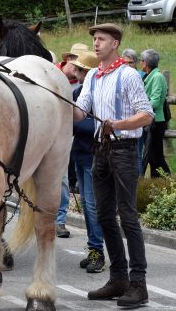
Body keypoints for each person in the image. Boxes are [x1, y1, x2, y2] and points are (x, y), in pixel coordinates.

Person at [74, 23, 153, 308]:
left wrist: (117, 124)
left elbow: (146, 115)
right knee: (104, 217)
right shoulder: (93, 75)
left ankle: (138, 284)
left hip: (124, 150)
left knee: (128, 217)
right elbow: (80, 111)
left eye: (101, 39)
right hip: (101, 152)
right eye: (94, 39)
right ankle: (118, 278)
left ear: (115, 43)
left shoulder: (129, 75)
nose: (96, 44)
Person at [69, 51, 106, 273]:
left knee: (93, 207)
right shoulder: (77, 91)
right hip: (80, 155)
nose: (76, 72)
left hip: (93, 156)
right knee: (87, 206)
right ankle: (93, 247)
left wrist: (71, 123)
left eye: (81, 69)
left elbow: (93, 126)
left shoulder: (96, 93)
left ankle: (98, 252)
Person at [55, 43, 89, 238]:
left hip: (70, 138)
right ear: (69, 59)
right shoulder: (51, 74)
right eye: (79, 62)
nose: (82, 69)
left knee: (63, 180)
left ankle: (59, 220)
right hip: (47, 135)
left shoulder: (81, 83)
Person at [141, 49, 171, 178]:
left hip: (156, 121)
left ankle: (168, 182)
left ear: (146, 63)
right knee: (152, 157)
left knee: (156, 156)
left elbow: (156, 102)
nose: (140, 63)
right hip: (150, 120)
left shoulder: (157, 77)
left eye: (141, 60)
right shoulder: (148, 75)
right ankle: (156, 183)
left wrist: (139, 107)